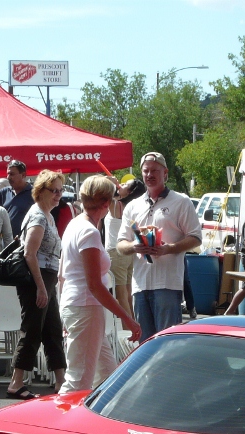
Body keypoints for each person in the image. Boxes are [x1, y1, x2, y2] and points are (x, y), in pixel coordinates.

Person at [58, 176, 141, 394]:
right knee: (78, 382)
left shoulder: (75, 225)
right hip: (85, 307)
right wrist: (126, 317)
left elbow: (62, 275)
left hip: (78, 306)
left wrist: (63, 311)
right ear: (106, 203)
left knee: (107, 378)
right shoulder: (89, 231)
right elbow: (94, 285)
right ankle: (57, 417)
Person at [116, 152, 202, 340]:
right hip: (140, 284)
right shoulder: (133, 206)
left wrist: (168, 248)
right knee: (145, 343)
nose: (149, 175)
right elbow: (120, 245)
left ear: (165, 173)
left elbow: (196, 237)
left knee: (167, 343)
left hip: (168, 284)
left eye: (154, 170)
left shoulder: (181, 201)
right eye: (146, 171)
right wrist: (135, 246)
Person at [6, 170, 67, 399]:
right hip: (36, 278)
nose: (58, 195)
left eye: (60, 190)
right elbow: (29, 254)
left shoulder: (47, 215)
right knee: (32, 329)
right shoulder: (39, 216)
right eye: (54, 190)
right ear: (41, 191)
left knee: (53, 329)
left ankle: (61, 380)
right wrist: (41, 287)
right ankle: (16, 382)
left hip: (45, 277)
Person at [105, 178, 144, 319]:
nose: (121, 185)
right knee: (128, 294)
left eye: (125, 185)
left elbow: (102, 193)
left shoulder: (117, 206)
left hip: (116, 252)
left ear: (129, 192)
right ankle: (134, 325)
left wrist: (109, 181)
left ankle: (128, 328)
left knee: (121, 295)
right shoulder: (134, 208)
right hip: (129, 253)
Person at [0, 160, 35, 237]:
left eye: (12, 174)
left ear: (23, 175)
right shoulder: (4, 192)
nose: (8, 177)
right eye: (8, 174)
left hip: (25, 240)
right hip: (6, 240)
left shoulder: (34, 193)